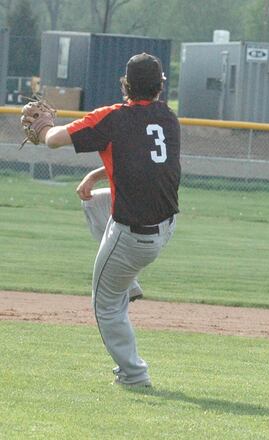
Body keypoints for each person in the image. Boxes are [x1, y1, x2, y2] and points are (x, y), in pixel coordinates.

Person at [36, 53, 180, 387]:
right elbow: (146, 161)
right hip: (165, 226)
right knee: (94, 203)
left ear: (125, 85)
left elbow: (54, 140)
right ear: (161, 86)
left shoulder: (113, 118)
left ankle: (134, 375)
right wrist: (96, 175)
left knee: (105, 306)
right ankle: (128, 283)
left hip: (133, 238)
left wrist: (43, 125)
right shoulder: (169, 118)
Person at [77, 169, 144, 302]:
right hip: (137, 197)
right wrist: (92, 177)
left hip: (151, 203)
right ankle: (129, 283)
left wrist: (92, 177)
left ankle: (127, 278)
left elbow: (120, 162)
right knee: (93, 201)